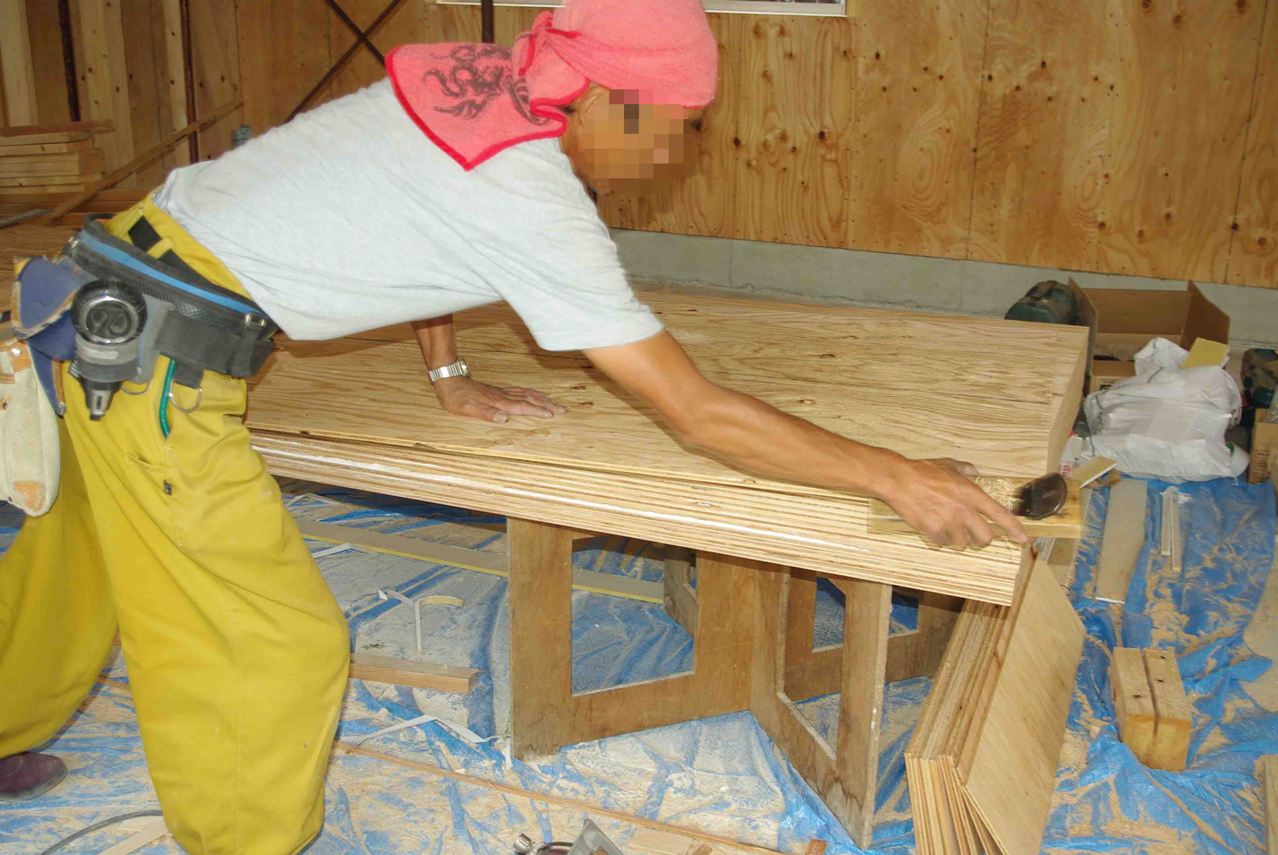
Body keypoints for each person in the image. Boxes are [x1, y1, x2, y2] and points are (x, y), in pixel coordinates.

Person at [0, 0, 1028, 850]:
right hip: (155, 369)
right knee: (269, 643)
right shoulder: (528, 194)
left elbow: (406, 222)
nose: (672, 153)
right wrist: (893, 475)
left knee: (69, 565)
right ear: (605, 98)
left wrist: (448, 373)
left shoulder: (485, 83)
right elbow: (698, 412)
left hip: (96, 302)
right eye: (670, 126)